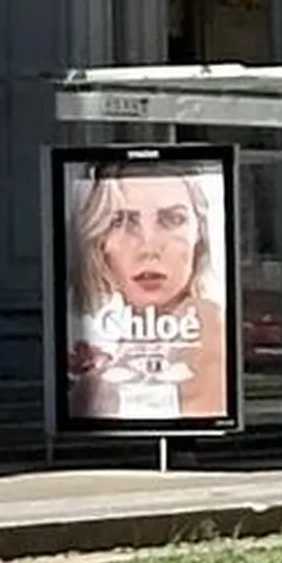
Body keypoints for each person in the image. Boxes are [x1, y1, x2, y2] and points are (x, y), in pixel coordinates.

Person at [65, 163, 230, 424]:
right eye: (122, 221)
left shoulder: (207, 325)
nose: (148, 247)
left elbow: (200, 421)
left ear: (199, 233)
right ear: (99, 239)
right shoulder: (109, 339)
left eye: (172, 219)